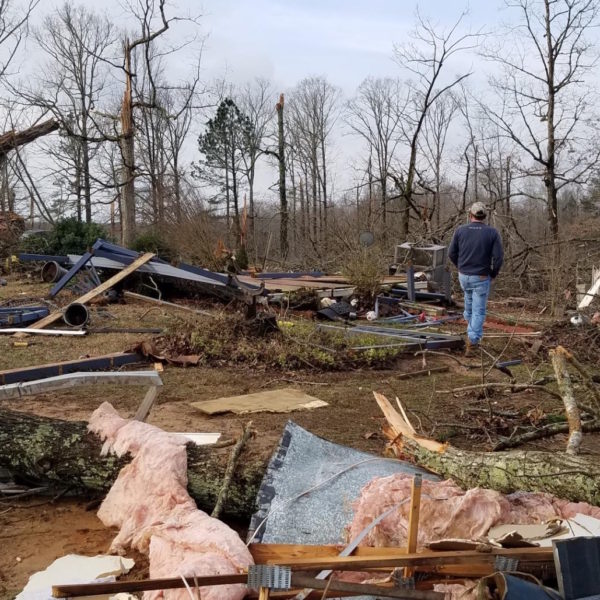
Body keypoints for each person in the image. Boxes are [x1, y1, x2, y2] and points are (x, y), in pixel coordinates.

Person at [448, 202, 503, 354]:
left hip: (464, 276)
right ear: (484, 216)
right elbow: (498, 258)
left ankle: (470, 329)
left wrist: (460, 267)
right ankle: (472, 342)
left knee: (469, 306)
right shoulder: (492, 233)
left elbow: (451, 253)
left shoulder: (460, 231)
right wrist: (493, 274)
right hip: (480, 277)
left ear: (470, 215)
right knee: (478, 311)